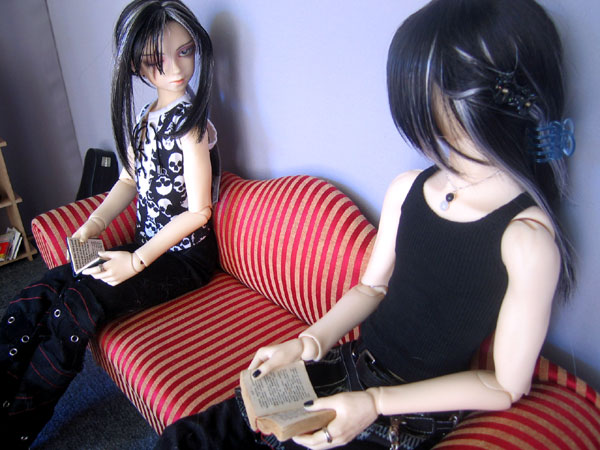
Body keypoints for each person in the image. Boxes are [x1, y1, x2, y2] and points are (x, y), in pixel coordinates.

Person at [156, 0, 577, 449]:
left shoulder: (526, 241)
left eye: (444, 124)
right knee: (202, 434)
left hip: (410, 412)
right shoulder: (408, 189)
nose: (430, 142)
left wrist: (376, 402)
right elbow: (370, 288)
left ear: (497, 110)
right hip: (349, 365)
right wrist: (306, 343)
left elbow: (505, 386)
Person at [0, 0, 219, 447]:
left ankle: (16, 424)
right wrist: (93, 223)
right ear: (136, 67)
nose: (177, 68)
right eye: (156, 60)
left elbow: (199, 212)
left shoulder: (191, 125)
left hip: (185, 259)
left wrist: (136, 261)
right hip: (147, 244)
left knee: (80, 300)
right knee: (50, 285)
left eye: (185, 51)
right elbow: (128, 180)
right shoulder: (144, 121)